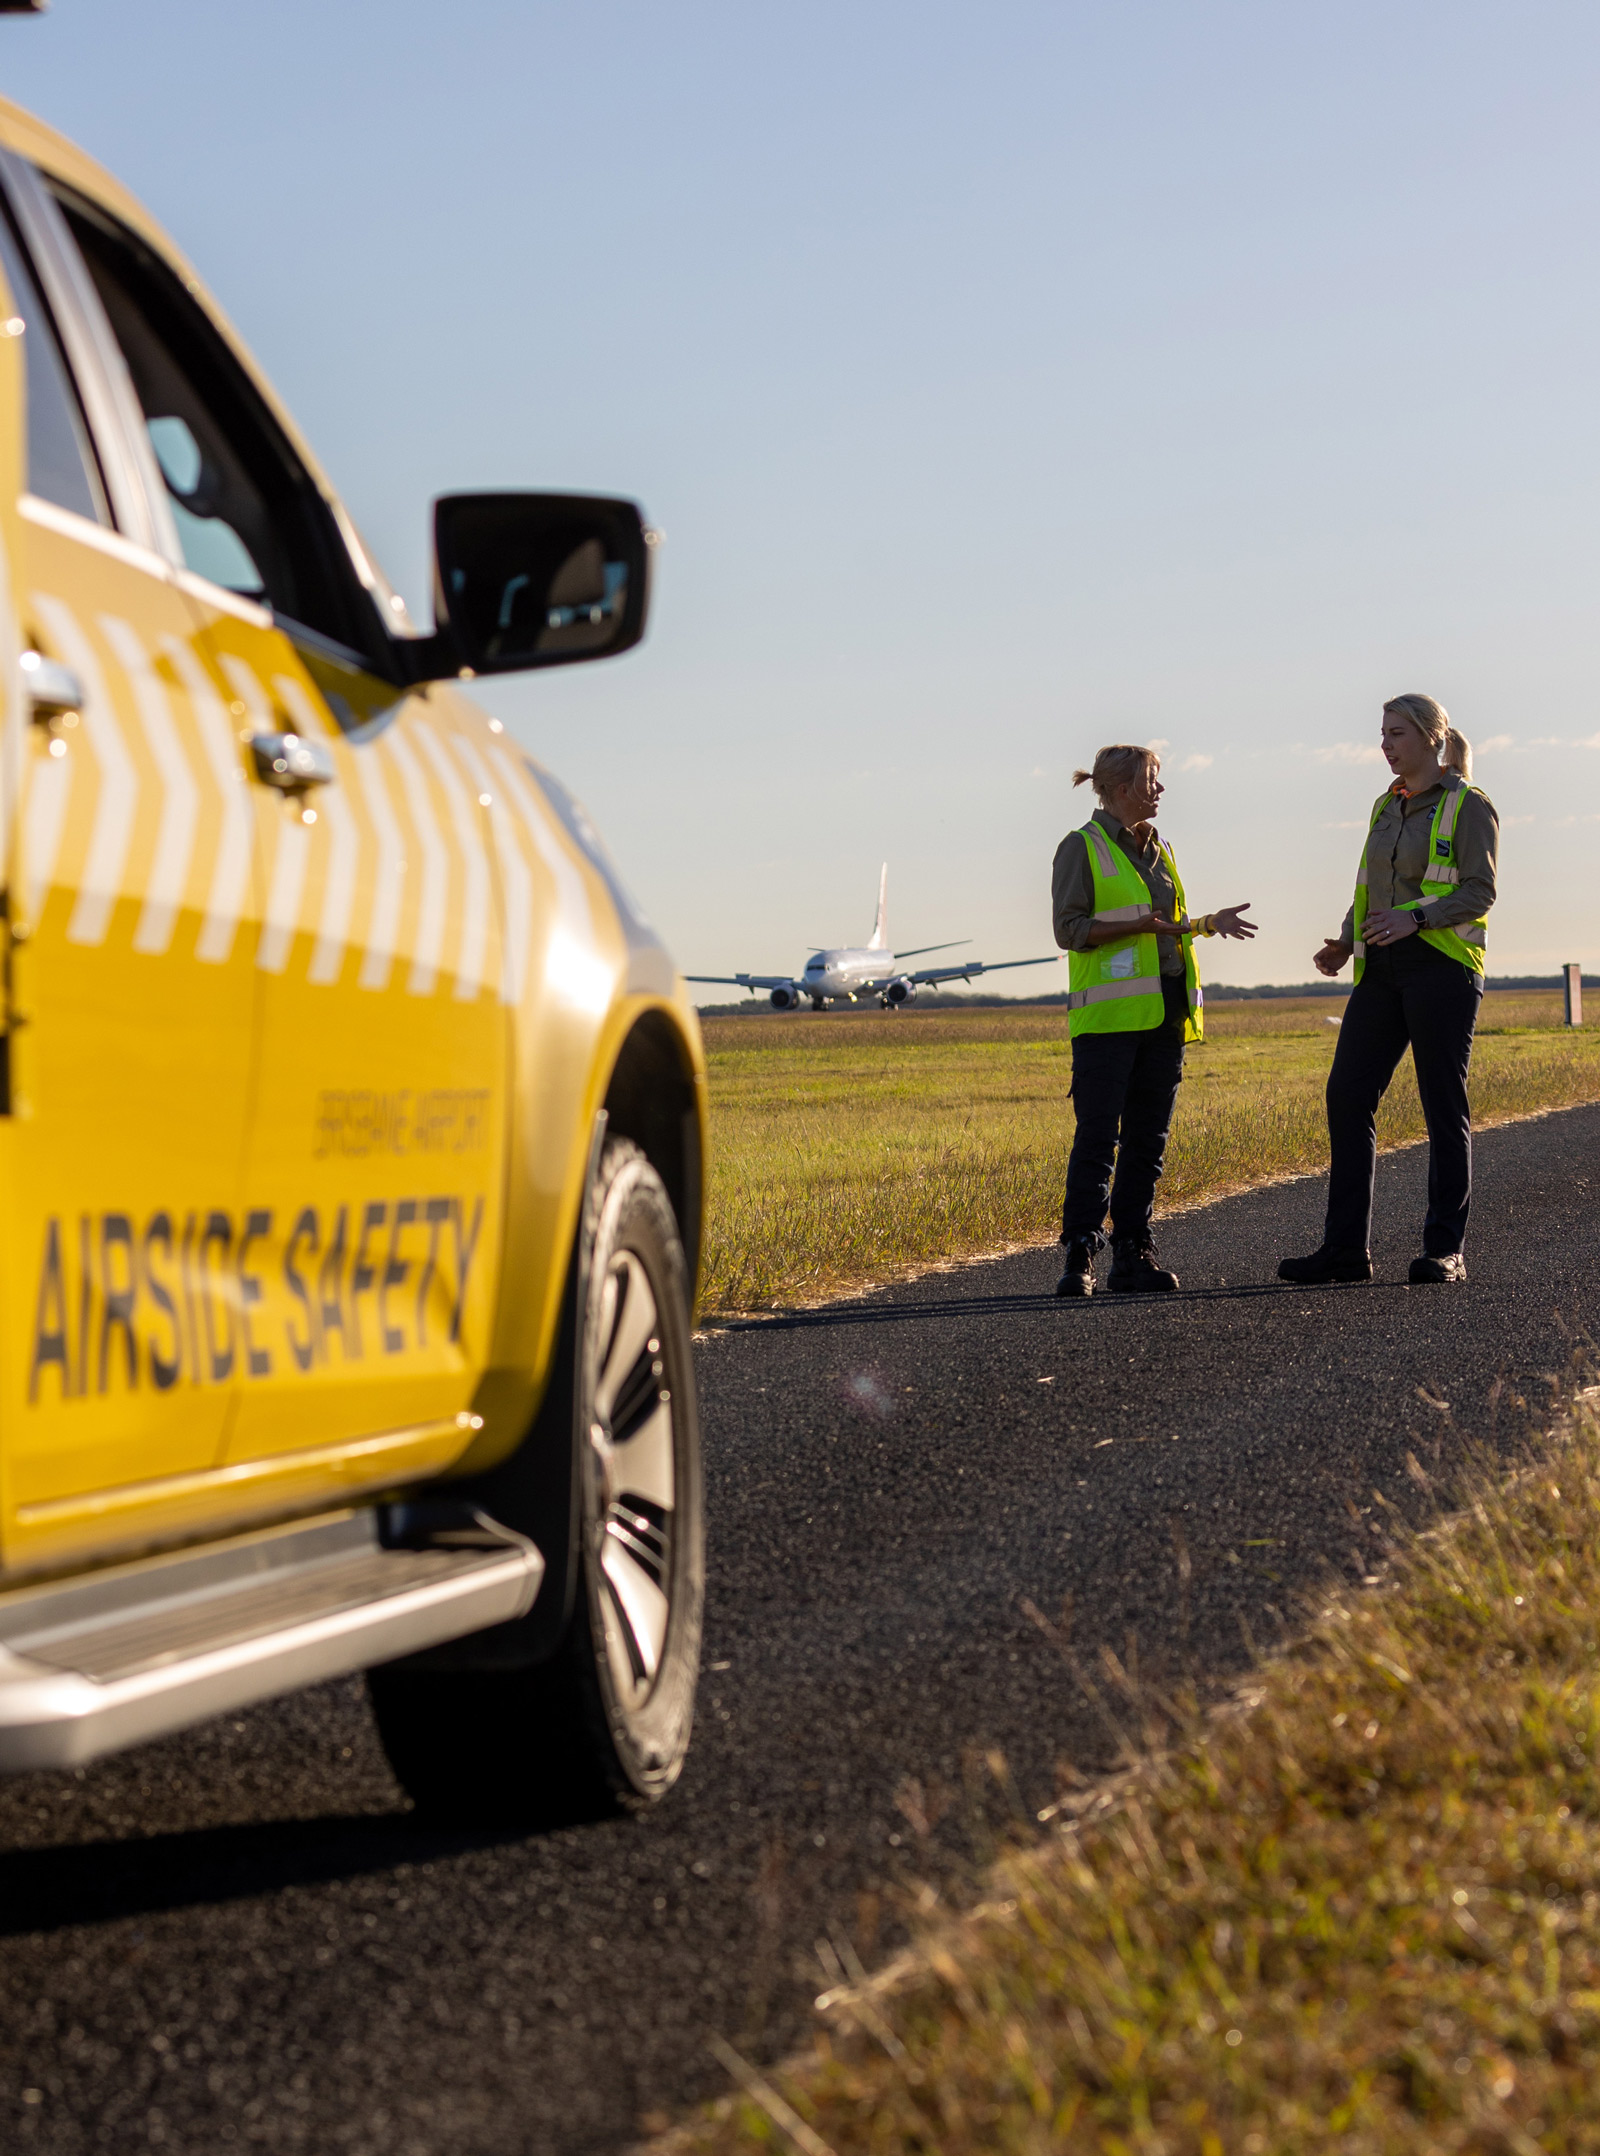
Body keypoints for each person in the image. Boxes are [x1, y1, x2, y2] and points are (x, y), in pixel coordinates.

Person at [1279, 693, 1497, 1287]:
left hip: (1442, 967)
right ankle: (1345, 1251)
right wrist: (1347, 938)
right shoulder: (1385, 803)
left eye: (1396, 733)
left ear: (1431, 737)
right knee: (1347, 1095)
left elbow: (1479, 891)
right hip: (1379, 969)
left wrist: (1416, 919)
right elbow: (1374, 886)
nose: (1385, 744)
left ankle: (1445, 1249)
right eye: (1382, 733)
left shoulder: (1468, 805)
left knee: (1441, 1105)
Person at [1051, 745, 1256, 1297]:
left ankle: (1133, 1252)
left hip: (1165, 1012)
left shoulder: (1161, 848)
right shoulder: (1081, 848)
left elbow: (1167, 925)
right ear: (1120, 788)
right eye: (1152, 779)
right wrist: (1134, 927)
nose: (1160, 789)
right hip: (1109, 1019)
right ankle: (1079, 1254)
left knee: (1148, 1138)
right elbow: (1069, 930)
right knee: (1098, 1137)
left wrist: (1209, 922)